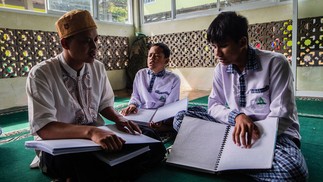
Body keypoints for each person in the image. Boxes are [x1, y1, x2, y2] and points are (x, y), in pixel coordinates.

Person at [26, 9, 165, 181]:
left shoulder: (97, 67)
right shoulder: (41, 74)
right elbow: (45, 128)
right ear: (65, 44)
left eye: (96, 40)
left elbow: (104, 104)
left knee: (151, 139)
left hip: (98, 136)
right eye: (86, 41)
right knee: (82, 166)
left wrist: (117, 118)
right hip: (62, 144)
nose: (94, 47)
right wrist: (91, 132)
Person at [174, 11, 308, 181]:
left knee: (293, 172)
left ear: (242, 42)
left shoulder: (276, 63)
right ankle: (240, 160)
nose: (217, 54)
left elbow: (283, 115)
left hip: (273, 133)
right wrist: (236, 116)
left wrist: (250, 130)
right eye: (214, 47)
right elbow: (214, 105)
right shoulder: (221, 69)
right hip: (234, 128)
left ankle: (225, 161)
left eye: (223, 45)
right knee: (181, 118)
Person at [121, 43, 180, 137]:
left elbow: (170, 104)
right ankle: (156, 129)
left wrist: (161, 117)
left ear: (166, 60)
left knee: (179, 118)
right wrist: (132, 105)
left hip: (162, 115)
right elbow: (135, 96)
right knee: (122, 117)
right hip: (142, 113)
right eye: (150, 55)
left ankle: (159, 128)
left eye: (157, 56)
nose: (152, 58)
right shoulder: (140, 74)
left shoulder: (174, 79)